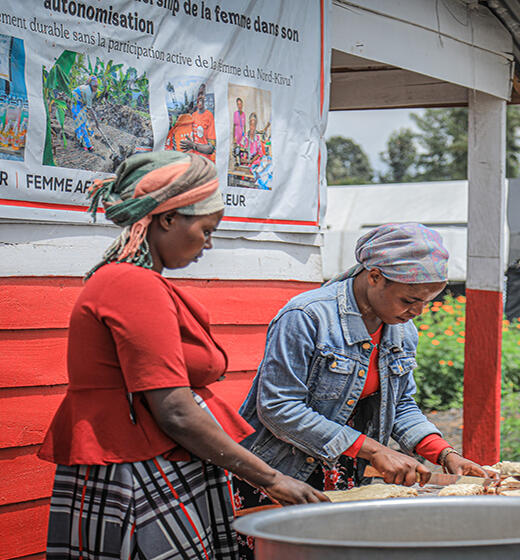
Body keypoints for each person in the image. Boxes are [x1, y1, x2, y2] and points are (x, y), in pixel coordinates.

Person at [38, 151, 326, 558]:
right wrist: (271, 479)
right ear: (167, 219)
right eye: (206, 229)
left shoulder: (130, 280)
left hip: (153, 461)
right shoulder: (132, 285)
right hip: (139, 472)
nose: (208, 244)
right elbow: (174, 411)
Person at [235, 223, 486, 553]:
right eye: (410, 300)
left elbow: (401, 405)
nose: (417, 312)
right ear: (375, 277)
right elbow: (279, 408)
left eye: (427, 302)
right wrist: (376, 450)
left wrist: (441, 451)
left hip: (347, 471)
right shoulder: (306, 316)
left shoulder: (401, 331)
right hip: (281, 472)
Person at [179, 83, 216, 162]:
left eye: (202, 95)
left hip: (204, 161)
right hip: (193, 159)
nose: (200, 97)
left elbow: (211, 148)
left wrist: (194, 146)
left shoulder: (209, 116)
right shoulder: (193, 115)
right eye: (198, 95)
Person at [70, 76, 99, 152]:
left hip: (81, 105)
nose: (96, 88)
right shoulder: (88, 91)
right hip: (76, 105)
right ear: (91, 85)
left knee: (85, 124)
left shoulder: (90, 90)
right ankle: (86, 145)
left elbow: (88, 104)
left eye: (97, 86)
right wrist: (96, 120)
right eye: (95, 86)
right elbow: (90, 108)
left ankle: (85, 142)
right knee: (81, 125)